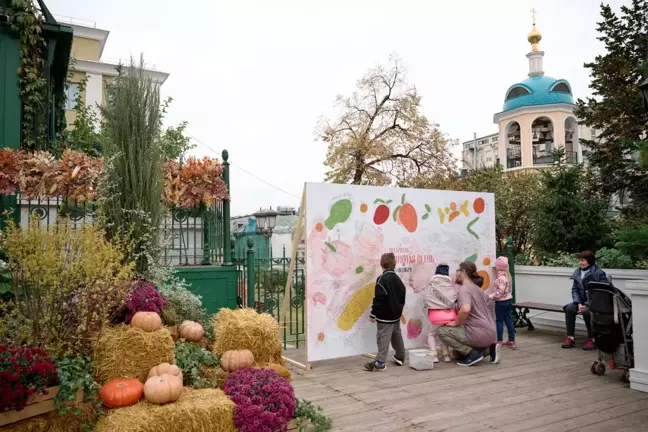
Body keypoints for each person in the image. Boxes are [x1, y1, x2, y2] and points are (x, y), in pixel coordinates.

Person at [437, 262, 498, 366]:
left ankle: (473, 354)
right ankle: (489, 349)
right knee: (457, 354)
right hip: (491, 333)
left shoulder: (464, 289)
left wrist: (456, 323)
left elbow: (465, 309)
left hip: (478, 332)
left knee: (441, 331)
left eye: (458, 270)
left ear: (463, 272)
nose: (456, 273)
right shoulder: (478, 289)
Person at [364, 252, 407, 371]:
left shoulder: (382, 280)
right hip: (396, 315)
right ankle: (400, 356)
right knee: (396, 335)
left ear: (381, 264)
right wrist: (398, 310)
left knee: (383, 337)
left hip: (385, 317)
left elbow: (379, 299)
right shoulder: (398, 280)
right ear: (394, 264)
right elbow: (402, 296)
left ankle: (380, 362)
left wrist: (373, 314)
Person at [562, 250, 607, 350]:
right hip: (580, 302)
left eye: (582, 260)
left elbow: (600, 292)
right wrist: (578, 303)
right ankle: (570, 337)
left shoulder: (599, 273)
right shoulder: (577, 272)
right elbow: (575, 290)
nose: (580, 263)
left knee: (587, 312)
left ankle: (592, 339)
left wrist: (587, 304)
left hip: (595, 303)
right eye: (580, 260)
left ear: (590, 261)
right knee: (569, 309)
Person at [424, 264, 457, 363]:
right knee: (443, 335)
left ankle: (434, 355)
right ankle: (446, 355)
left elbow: (426, 299)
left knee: (431, 334)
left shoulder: (431, 285)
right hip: (449, 316)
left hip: (436, 316)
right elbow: (454, 299)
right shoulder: (451, 286)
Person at [489, 257, 516, 349]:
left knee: (499, 321)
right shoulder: (508, 277)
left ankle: (499, 341)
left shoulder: (501, 279)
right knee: (508, 320)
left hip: (501, 302)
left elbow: (499, 292)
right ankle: (512, 341)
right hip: (508, 301)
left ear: (498, 268)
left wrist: (491, 296)